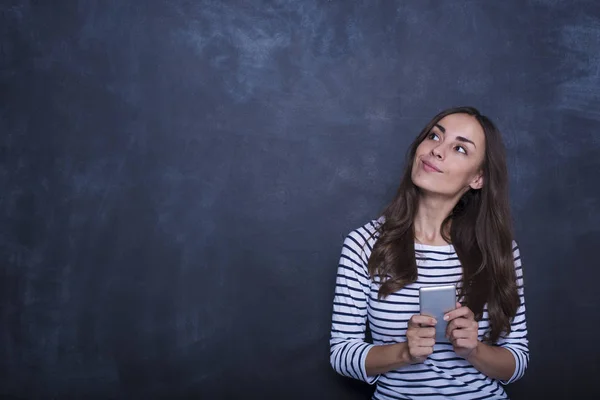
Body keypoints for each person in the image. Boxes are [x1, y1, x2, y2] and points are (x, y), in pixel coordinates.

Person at [330, 106, 528, 399]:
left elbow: (518, 361)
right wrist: (404, 353)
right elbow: (342, 354)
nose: (437, 150)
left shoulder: (499, 251)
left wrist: (475, 350)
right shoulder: (364, 244)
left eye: (460, 148)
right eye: (434, 136)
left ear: (478, 179)